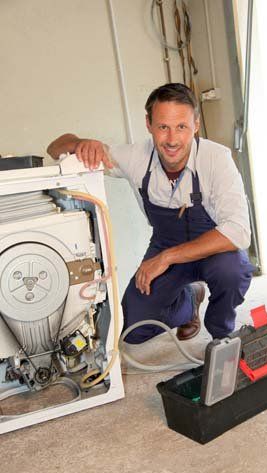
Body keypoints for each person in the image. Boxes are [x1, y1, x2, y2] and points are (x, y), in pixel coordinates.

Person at [47, 83, 255, 344]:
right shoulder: (136, 156)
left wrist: (166, 258)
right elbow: (55, 148)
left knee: (232, 270)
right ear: (149, 124)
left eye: (182, 127)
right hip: (166, 241)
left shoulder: (216, 159)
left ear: (196, 125)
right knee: (133, 329)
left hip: (212, 247)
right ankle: (190, 302)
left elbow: (238, 231)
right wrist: (80, 143)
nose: (172, 139)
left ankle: (222, 333)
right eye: (163, 127)